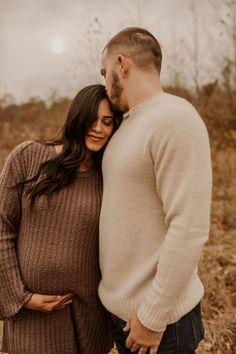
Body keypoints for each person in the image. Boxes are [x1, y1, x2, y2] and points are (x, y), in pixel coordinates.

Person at [99, 27, 212, 354]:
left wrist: (154, 315)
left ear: (122, 65)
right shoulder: (127, 126)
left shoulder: (175, 118)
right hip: (124, 315)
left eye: (105, 73)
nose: (106, 85)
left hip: (161, 324)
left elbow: (189, 227)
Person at [0, 84, 121, 354]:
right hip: (32, 317)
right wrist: (22, 297)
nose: (98, 128)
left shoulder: (110, 178)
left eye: (107, 122)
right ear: (75, 116)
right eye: (92, 118)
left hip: (88, 315)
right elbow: (2, 227)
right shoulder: (28, 157)